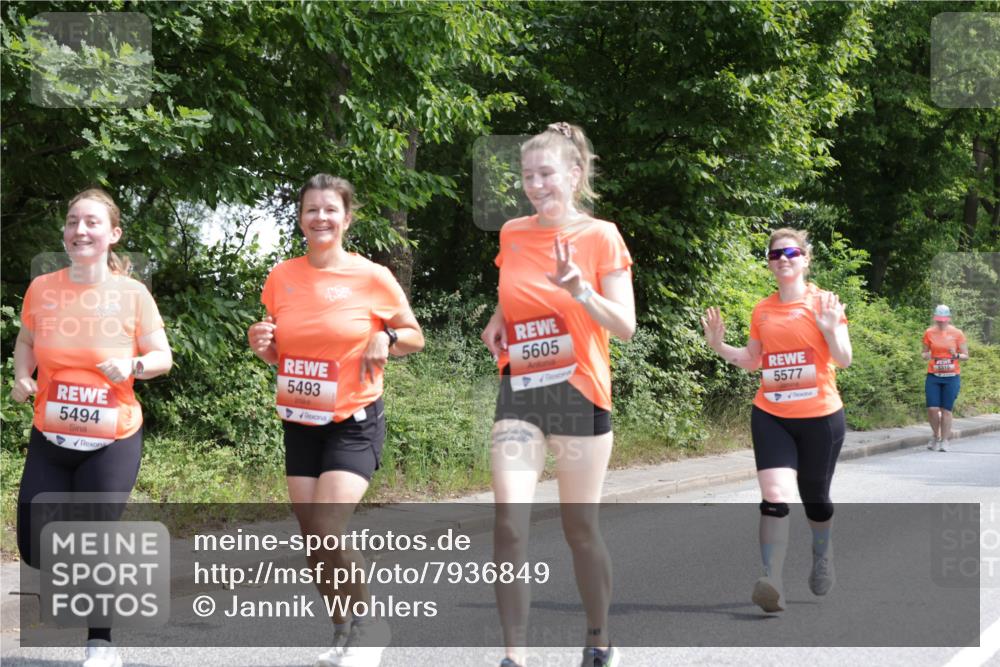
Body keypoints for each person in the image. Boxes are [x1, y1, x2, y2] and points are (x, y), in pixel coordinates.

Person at [247, 174, 423, 667]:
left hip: (354, 419)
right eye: (311, 210)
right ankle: (345, 633)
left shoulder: (372, 276)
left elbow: (414, 335)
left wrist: (386, 339)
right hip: (301, 420)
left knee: (327, 528)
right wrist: (263, 346)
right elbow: (282, 354)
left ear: (347, 218)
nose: (320, 218)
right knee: (313, 541)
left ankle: (370, 625)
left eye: (330, 210)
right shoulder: (282, 276)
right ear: (301, 219)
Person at [480, 123, 634, 667]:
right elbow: (513, 291)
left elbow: (625, 325)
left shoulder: (601, 236)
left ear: (574, 174)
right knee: (508, 520)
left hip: (578, 392)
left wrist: (582, 290)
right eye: (527, 176)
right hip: (520, 388)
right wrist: (498, 319)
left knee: (579, 528)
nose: (536, 185)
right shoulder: (514, 234)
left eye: (546, 173)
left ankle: (598, 637)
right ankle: (514, 655)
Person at [13, 188, 173, 667]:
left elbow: (162, 358)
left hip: (112, 438)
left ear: (113, 234)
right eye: (72, 222)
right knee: (33, 544)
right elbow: (26, 341)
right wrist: (23, 375)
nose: (80, 230)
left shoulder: (132, 294)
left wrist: (135, 366)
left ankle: (100, 645)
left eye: (92, 223)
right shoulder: (43, 288)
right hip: (51, 436)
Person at [701, 228, 851, 614]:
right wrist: (718, 346)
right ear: (769, 263)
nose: (783, 258)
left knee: (815, 498)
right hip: (772, 414)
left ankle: (823, 554)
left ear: (805, 258)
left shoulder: (823, 303)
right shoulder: (762, 309)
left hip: (820, 417)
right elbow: (754, 361)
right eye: (775, 254)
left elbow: (844, 358)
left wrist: (832, 329)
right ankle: (773, 581)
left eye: (791, 252)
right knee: (774, 495)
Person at [922, 304, 968, 452]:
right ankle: (936, 436)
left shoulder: (957, 333)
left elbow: (966, 356)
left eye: (943, 320)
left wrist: (956, 355)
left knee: (946, 410)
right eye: (938, 320)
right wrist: (926, 355)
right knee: (932, 408)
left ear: (948, 318)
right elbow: (924, 353)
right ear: (935, 318)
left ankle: (945, 440)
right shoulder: (929, 332)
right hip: (934, 375)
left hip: (951, 376)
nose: (941, 322)